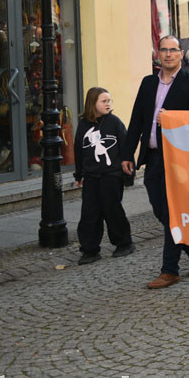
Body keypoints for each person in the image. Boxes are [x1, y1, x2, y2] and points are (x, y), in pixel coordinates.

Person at [122, 35, 189, 289]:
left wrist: (173, 119)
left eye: (173, 50)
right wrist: (127, 154)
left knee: (172, 213)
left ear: (181, 54)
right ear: (157, 54)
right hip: (152, 156)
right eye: (164, 50)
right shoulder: (149, 83)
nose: (168, 54)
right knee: (159, 210)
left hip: (178, 158)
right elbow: (137, 118)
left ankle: (169, 270)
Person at [74, 87, 134, 265]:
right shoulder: (84, 124)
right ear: (93, 104)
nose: (108, 104)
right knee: (89, 213)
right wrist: (79, 174)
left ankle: (124, 243)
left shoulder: (114, 123)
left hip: (111, 175)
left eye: (109, 101)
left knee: (112, 210)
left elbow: (126, 147)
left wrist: (128, 173)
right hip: (91, 176)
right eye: (104, 101)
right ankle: (90, 249)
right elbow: (79, 150)